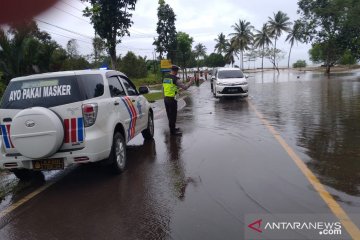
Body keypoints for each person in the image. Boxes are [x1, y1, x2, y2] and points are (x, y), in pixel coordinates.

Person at [163, 65, 194, 136]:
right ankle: (173, 132)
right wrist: (191, 82)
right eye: (177, 71)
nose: (177, 72)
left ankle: (173, 128)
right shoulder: (176, 79)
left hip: (166, 99)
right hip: (172, 100)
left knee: (169, 115)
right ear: (175, 71)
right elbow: (185, 87)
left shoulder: (165, 78)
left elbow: (168, 88)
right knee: (173, 116)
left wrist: (177, 91)